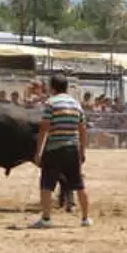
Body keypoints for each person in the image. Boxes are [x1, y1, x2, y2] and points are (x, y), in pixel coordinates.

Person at [32, 74, 92, 229]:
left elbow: (44, 129)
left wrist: (39, 152)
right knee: (79, 184)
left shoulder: (51, 103)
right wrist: (82, 150)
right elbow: (83, 130)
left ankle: (46, 219)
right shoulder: (76, 104)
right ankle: (85, 218)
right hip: (72, 148)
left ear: (52, 87)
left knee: (47, 184)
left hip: (54, 148)